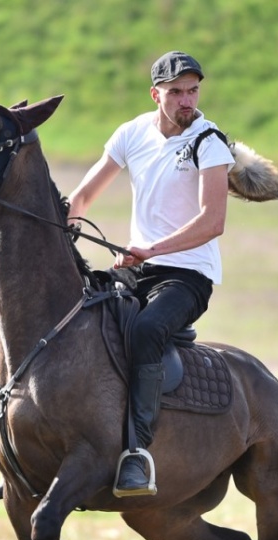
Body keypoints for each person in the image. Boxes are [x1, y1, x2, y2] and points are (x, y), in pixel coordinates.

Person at [66, 50, 236, 497]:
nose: (187, 100)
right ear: (155, 93)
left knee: (145, 331)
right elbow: (83, 197)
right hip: (136, 269)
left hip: (186, 276)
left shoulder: (208, 141)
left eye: (193, 90)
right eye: (177, 91)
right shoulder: (131, 133)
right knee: (75, 315)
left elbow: (212, 220)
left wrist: (150, 250)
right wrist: (66, 220)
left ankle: (137, 454)